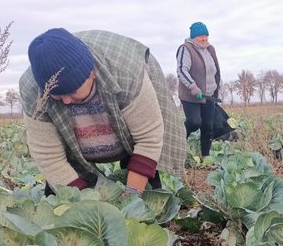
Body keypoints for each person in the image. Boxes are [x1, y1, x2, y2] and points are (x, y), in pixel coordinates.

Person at [19, 28, 188, 194]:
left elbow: (148, 138)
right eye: (58, 95)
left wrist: (132, 196)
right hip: (71, 149)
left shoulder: (126, 72)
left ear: (92, 73)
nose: (66, 100)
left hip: (130, 115)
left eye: (72, 91)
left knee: (145, 199)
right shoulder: (33, 92)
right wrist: (88, 207)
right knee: (61, 202)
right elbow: (50, 158)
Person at [176, 21, 221, 157]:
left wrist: (215, 88)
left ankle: (205, 157)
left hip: (208, 95)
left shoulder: (210, 49)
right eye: (201, 36)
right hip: (191, 95)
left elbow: (214, 70)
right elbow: (182, 70)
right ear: (194, 37)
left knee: (208, 126)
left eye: (206, 35)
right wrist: (193, 87)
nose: (204, 38)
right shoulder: (186, 48)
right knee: (195, 123)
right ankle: (177, 141)